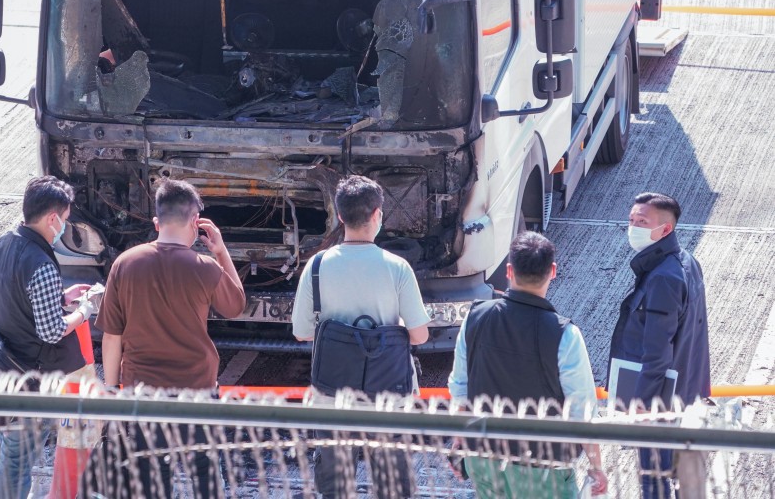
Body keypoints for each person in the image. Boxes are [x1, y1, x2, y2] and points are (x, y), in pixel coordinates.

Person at [83, 178, 245, 498]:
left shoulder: (125, 263)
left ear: (157, 223)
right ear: (195, 222)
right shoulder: (205, 267)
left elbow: (112, 337)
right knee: (205, 472)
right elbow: (236, 306)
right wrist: (221, 250)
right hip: (197, 390)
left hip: (143, 393)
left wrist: (114, 390)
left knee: (151, 476)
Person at [291, 175, 431, 499]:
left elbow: (301, 332)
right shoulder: (398, 267)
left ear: (339, 216)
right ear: (377, 214)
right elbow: (420, 336)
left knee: (334, 484)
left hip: (332, 393)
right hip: (389, 394)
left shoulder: (317, 266)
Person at [447, 232, 608, 499]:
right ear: (553, 271)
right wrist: (596, 466)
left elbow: (460, 387)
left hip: (483, 455)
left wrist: (459, 441)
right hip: (543, 464)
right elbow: (582, 410)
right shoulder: (564, 334)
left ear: (509, 271)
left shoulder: (475, 317)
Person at [0, 176, 100, 499]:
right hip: (28, 380)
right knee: (18, 461)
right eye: (64, 220)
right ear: (52, 218)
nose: (65, 227)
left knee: (3, 448)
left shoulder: (2, 244)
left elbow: (16, 298)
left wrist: (61, 297)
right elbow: (50, 332)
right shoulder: (42, 264)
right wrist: (83, 311)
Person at [610, 192, 711, 499]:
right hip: (682, 392)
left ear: (665, 230)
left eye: (642, 222)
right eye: (631, 220)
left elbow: (656, 351)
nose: (633, 227)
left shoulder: (663, 278)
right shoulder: (687, 263)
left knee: (654, 480)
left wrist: (640, 403)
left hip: (657, 401)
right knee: (679, 475)